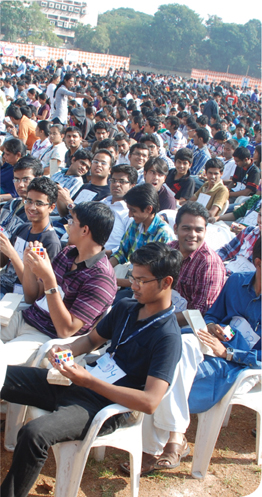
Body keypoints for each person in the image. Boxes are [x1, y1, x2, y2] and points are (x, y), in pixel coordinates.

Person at [0, 242, 183, 497]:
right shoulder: (127, 307)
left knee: (34, 434)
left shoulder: (168, 337)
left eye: (142, 280)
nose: (133, 285)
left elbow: (150, 402)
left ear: (166, 283)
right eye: (133, 277)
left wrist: (89, 382)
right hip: (81, 380)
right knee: (2, 377)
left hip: (107, 406)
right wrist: (65, 352)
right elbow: (90, 340)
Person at [138, 238, 261, 475]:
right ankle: (173, 438)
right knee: (177, 345)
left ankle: (160, 445)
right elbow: (213, 314)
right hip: (209, 345)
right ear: (258, 262)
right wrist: (214, 326)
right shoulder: (236, 282)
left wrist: (229, 352)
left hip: (237, 364)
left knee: (166, 373)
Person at [0, 201, 117, 366]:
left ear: (85, 230)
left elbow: (66, 330)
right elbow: (32, 297)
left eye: (72, 222)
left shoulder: (101, 279)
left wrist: (48, 279)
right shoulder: (68, 253)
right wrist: (29, 264)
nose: (67, 226)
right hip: (24, 318)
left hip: (45, 338)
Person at [0, 177, 61, 299]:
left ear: (51, 207)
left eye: (39, 203)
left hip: (18, 297)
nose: (31, 207)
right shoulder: (23, 228)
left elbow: (34, 293)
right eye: (29, 201)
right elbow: (3, 262)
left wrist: (13, 254)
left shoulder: (50, 242)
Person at [110, 183, 176, 292]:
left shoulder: (163, 234)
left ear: (149, 209)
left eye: (133, 210)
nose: (130, 215)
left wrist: (114, 281)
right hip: (129, 278)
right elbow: (121, 253)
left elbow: (153, 277)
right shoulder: (135, 225)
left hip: (145, 288)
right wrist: (104, 269)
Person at [169, 202, 226, 327]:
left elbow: (201, 312)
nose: (193, 235)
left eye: (198, 230)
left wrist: (159, 319)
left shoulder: (209, 263)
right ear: (175, 228)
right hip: (164, 310)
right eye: (186, 228)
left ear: (205, 231)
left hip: (190, 326)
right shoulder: (170, 248)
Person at [0, 156, 43, 239]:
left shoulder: (35, 212)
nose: (20, 185)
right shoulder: (11, 204)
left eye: (25, 179)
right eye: (16, 180)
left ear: (38, 178)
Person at [102, 164, 138, 255]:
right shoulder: (102, 202)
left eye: (122, 181)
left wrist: (104, 253)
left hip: (112, 258)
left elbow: (129, 245)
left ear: (132, 186)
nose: (116, 184)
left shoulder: (130, 212)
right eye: (113, 180)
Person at [50, 149, 92, 215]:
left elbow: (64, 207)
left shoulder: (77, 182)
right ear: (73, 160)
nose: (84, 168)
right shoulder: (58, 173)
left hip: (55, 214)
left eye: (87, 168)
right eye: (82, 163)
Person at [0, 138, 27, 202]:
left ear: (18, 155)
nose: (4, 156)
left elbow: (16, 195)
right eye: (4, 153)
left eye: (7, 154)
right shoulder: (9, 164)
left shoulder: (22, 171)